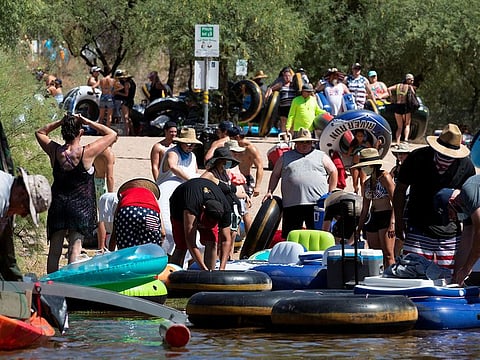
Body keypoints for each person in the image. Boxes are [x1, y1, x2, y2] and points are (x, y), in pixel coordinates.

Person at [35, 113, 117, 273]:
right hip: (80, 206)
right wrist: (88, 121)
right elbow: (112, 134)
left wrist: (61, 121)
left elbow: (40, 132)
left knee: (54, 252)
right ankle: (69, 287)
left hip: (58, 204)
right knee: (74, 250)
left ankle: (51, 286)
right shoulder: (87, 152)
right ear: (81, 132)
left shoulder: (55, 150)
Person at [393, 123, 475, 271]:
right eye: (443, 153)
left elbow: (469, 204)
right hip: (417, 229)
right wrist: (398, 221)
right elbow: (400, 190)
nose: (445, 158)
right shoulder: (417, 158)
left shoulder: (466, 166)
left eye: (450, 155)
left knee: (446, 278)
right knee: (412, 275)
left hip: (450, 233)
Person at [264, 128, 338, 239]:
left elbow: (333, 171)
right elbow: (275, 174)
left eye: (307, 142)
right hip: (292, 204)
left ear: (312, 142)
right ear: (296, 142)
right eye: (301, 142)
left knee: (317, 236)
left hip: (316, 204)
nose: (305, 144)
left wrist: (331, 193)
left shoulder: (321, 155)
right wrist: (270, 191)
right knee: (290, 236)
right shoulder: (285, 157)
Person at [169, 177, 233, 270]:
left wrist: (222, 268)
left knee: (211, 242)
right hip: (179, 202)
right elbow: (190, 241)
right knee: (182, 245)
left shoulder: (226, 209)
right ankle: (173, 273)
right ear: (203, 210)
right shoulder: (191, 206)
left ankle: (211, 271)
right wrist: (203, 268)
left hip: (207, 202)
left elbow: (226, 240)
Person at [156, 127, 201, 256]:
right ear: (180, 142)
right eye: (188, 143)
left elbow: (196, 172)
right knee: (168, 230)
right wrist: (191, 179)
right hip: (166, 195)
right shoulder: (172, 152)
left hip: (184, 196)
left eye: (193, 144)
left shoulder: (192, 156)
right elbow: (173, 166)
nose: (190, 146)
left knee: (193, 234)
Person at [0, 168, 51, 280]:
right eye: (27, 210)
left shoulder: (6, 197)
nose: (23, 216)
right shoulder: (1, 196)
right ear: (22, 194)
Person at [352, 148, 396, 266]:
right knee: (375, 253)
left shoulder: (385, 177)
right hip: (373, 217)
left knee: (388, 253)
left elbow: (396, 201)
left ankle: (392, 276)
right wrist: (359, 227)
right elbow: (365, 208)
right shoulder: (367, 183)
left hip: (385, 216)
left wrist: (392, 222)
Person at [432, 175, 480, 285]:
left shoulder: (469, 191)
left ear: (452, 202)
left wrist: (467, 268)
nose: (452, 218)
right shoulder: (467, 207)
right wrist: (457, 277)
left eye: (449, 213)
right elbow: (466, 241)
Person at [109, 179, 164, 250]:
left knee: (125, 249)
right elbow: (163, 233)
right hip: (150, 212)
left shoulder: (124, 194)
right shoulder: (153, 196)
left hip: (127, 211)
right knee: (150, 250)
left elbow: (115, 229)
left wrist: (111, 252)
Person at [265, 67, 297, 138]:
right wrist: (268, 95)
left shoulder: (294, 85)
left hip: (292, 106)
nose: (287, 77)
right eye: (285, 76)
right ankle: (285, 138)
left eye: (289, 76)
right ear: (283, 76)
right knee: (283, 122)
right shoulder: (280, 85)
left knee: (292, 123)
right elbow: (271, 88)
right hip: (283, 106)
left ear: (291, 76)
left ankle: (291, 137)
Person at [94, 145, 115, 251]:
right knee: (102, 217)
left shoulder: (97, 149)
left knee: (99, 215)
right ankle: (101, 246)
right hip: (103, 183)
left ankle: (101, 245)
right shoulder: (108, 153)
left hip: (95, 180)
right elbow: (110, 176)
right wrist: (111, 193)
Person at [387, 73, 416, 146]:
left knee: (399, 126)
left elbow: (389, 89)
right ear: (408, 80)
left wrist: (392, 98)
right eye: (411, 80)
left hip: (397, 106)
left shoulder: (398, 86)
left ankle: (397, 141)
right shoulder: (409, 87)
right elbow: (414, 95)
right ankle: (405, 140)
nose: (412, 81)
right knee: (407, 125)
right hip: (405, 107)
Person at [347, 129, 373, 194]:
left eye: (361, 136)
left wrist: (378, 144)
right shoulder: (353, 144)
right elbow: (348, 154)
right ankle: (356, 190)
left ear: (364, 136)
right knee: (355, 182)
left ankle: (363, 196)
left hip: (364, 164)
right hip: (355, 164)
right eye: (358, 136)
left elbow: (372, 151)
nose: (360, 137)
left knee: (363, 182)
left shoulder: (367, 143)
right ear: (355, 136)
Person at [113, 70, 136, 136]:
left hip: (126, 101)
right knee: (129, 118)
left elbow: (126, 94)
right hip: (131, 101)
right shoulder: (132, 82)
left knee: (125, 118)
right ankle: (132, 132)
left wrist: (117, 92)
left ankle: (127, 133)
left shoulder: (126, 83)